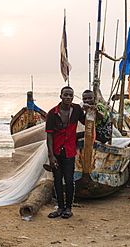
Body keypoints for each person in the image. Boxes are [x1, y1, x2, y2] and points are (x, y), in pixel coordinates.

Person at [45, 86, 85, 219]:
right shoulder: (52, 113)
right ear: (60, 96)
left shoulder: (76, 110)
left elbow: (86, 121)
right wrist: (51, 156)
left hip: (69, 151)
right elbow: (49, 136)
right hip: (56, 151)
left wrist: (92, 109)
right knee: (57, 180)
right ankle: (60, 207)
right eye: (66, 95)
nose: (68, 97)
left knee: (69, 180)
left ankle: (69, 207)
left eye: (71, 95)